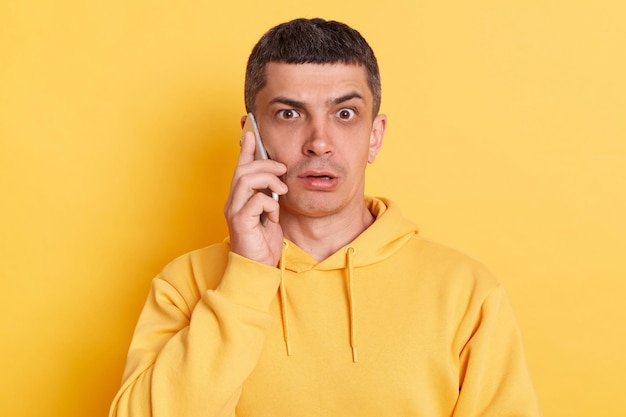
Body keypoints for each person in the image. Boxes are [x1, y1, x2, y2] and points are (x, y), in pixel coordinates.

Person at [109, 18, 542, 417]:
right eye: (289, 114)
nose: (319, 143)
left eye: (345, 114)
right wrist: (247, 278)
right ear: (250, 136)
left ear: (374, 137)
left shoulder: (466, 292)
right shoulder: (185, 285)